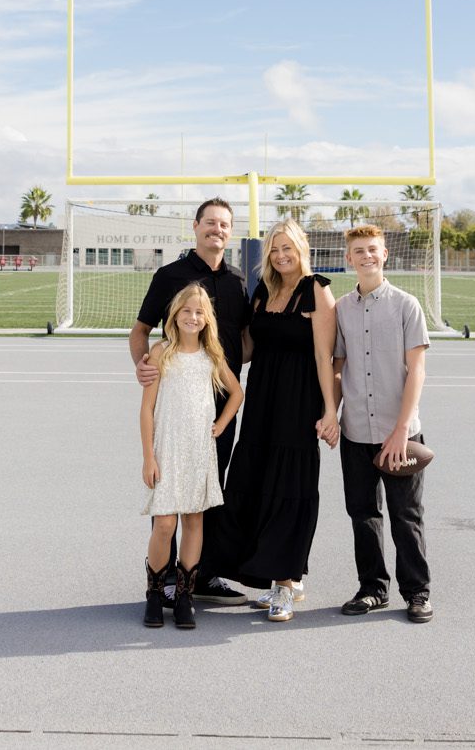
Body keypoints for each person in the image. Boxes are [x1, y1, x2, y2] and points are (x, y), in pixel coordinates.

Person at [209, 218, 338, 622]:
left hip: (298, 403)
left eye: (288, 248)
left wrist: (330, 410)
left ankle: (286, 582)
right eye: (275, 249)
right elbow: (248, 349)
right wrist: (202, 343)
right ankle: (265, 574)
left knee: (289, 486)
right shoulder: (263, 290)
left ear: (301, 249)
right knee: (255, 480)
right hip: (262, 399)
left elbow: (324, 357)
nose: (281, 256)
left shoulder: (317, 289)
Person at [130, 197, 251, 604]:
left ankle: (200, 576)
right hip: (176, 404)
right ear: (196, 227)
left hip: (217, 409)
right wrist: (144, 367)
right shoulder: (170, 276)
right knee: (167, 494)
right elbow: (140, 331)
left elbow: (244, 340)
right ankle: (162, 579)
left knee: (206, 493)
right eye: (210, 223)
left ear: (231, 232)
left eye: (224, 224)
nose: (217, 230)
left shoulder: (237, 281)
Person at [331, 224, 433, 623]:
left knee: (406, 516)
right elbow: (338, 367)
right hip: (356, 430)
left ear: (385, 254)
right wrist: (331, 413)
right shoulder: (342, 309)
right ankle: (372, 589)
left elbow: (417, 370)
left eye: (373, 249)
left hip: (400, 432)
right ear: (349, 258)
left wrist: (401, 430)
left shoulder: (407, 305)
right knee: (363, 514)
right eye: (359, 250)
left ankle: (417, 592)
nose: (367, 256)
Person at [139, 284, 244, 630]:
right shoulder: (161, 353)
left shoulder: (211, 356)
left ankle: (185, 595)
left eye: (199, 312)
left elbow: (236, 393)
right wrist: (148, 457)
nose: (192, 317)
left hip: (199, 449)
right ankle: (155, 593)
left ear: (207, 320)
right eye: (186, 310)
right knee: (165, 523)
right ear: (175, 315)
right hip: (167, 449)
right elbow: (147, 409)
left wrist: (220, 425)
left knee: (194, 522)